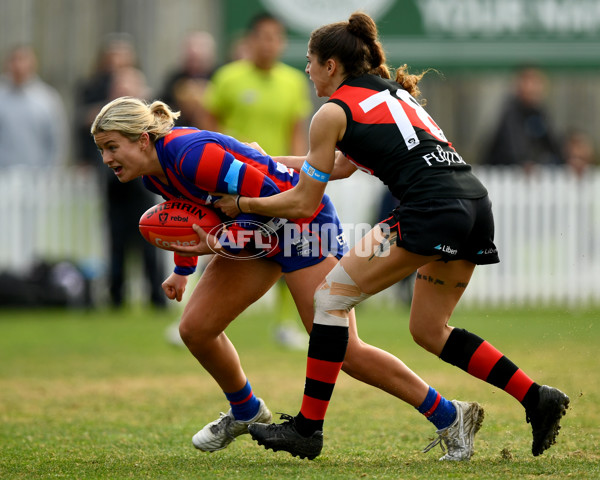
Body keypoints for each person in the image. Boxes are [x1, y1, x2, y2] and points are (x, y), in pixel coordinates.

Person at [212, 12, 570, 460]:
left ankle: (308, 429)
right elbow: (341, 164)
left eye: (309, 60)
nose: (305, 69)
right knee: (428, 330)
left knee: (329, 299)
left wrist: (244, 205)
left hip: (429, 211)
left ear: (331, 66)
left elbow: (304, 203)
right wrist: (268, 161)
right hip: (474, 203)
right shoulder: (391, 93)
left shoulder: (331, 111)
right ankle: (536, 397)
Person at [91, 96, 484, 461]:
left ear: (142, 140)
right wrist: (182, 271)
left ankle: (451, 415)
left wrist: (219, 241)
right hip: (258, 231)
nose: (107, 158)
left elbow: (276, 198)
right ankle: (246, 411)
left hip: (302, 227)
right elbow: (191, 215)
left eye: (112, 147)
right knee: (195, 329)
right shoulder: (153, 177)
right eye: (102, 150)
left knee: (344, 351)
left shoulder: (191, 155)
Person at [203, 12, 314, 349]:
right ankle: (196, 313)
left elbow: (295, 132)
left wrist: (298, 176)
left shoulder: (293, 81)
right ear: (250, 40)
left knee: (287, 245)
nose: (269, 44)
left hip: (273, 180)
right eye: (263, 36)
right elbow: (209, 124)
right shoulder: (227, 77)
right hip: (229, 177)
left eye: (275, 37)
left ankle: (283, 324)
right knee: (213, 241)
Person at [75, 35, 165, 308]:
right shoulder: (104, 116)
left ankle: (156, 297)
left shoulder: (145, 121)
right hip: (114, 184)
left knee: (151, 238)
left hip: (141, 184)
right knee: (115, 241)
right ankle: (116, 296)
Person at [481, 65, 564, 172]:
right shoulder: (510, 112)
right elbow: (513, 147)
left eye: (537, 82)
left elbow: (552, 145)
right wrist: (525, 161)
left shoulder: (539, 113)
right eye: (529, 82)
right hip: (504, 176)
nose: (534, 87)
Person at [0, 44, 68, 168]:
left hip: (36, 176)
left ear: (33, 64)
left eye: (23, 60)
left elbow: (57, 141)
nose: (18, 66)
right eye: (14, 60)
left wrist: (51, 172)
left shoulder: (47, 99)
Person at [160, 31, 217, 129]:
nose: (195, 51)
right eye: (191, 58)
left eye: (201, 47)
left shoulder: (219, 76)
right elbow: (163, 106)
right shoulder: (175, 79)